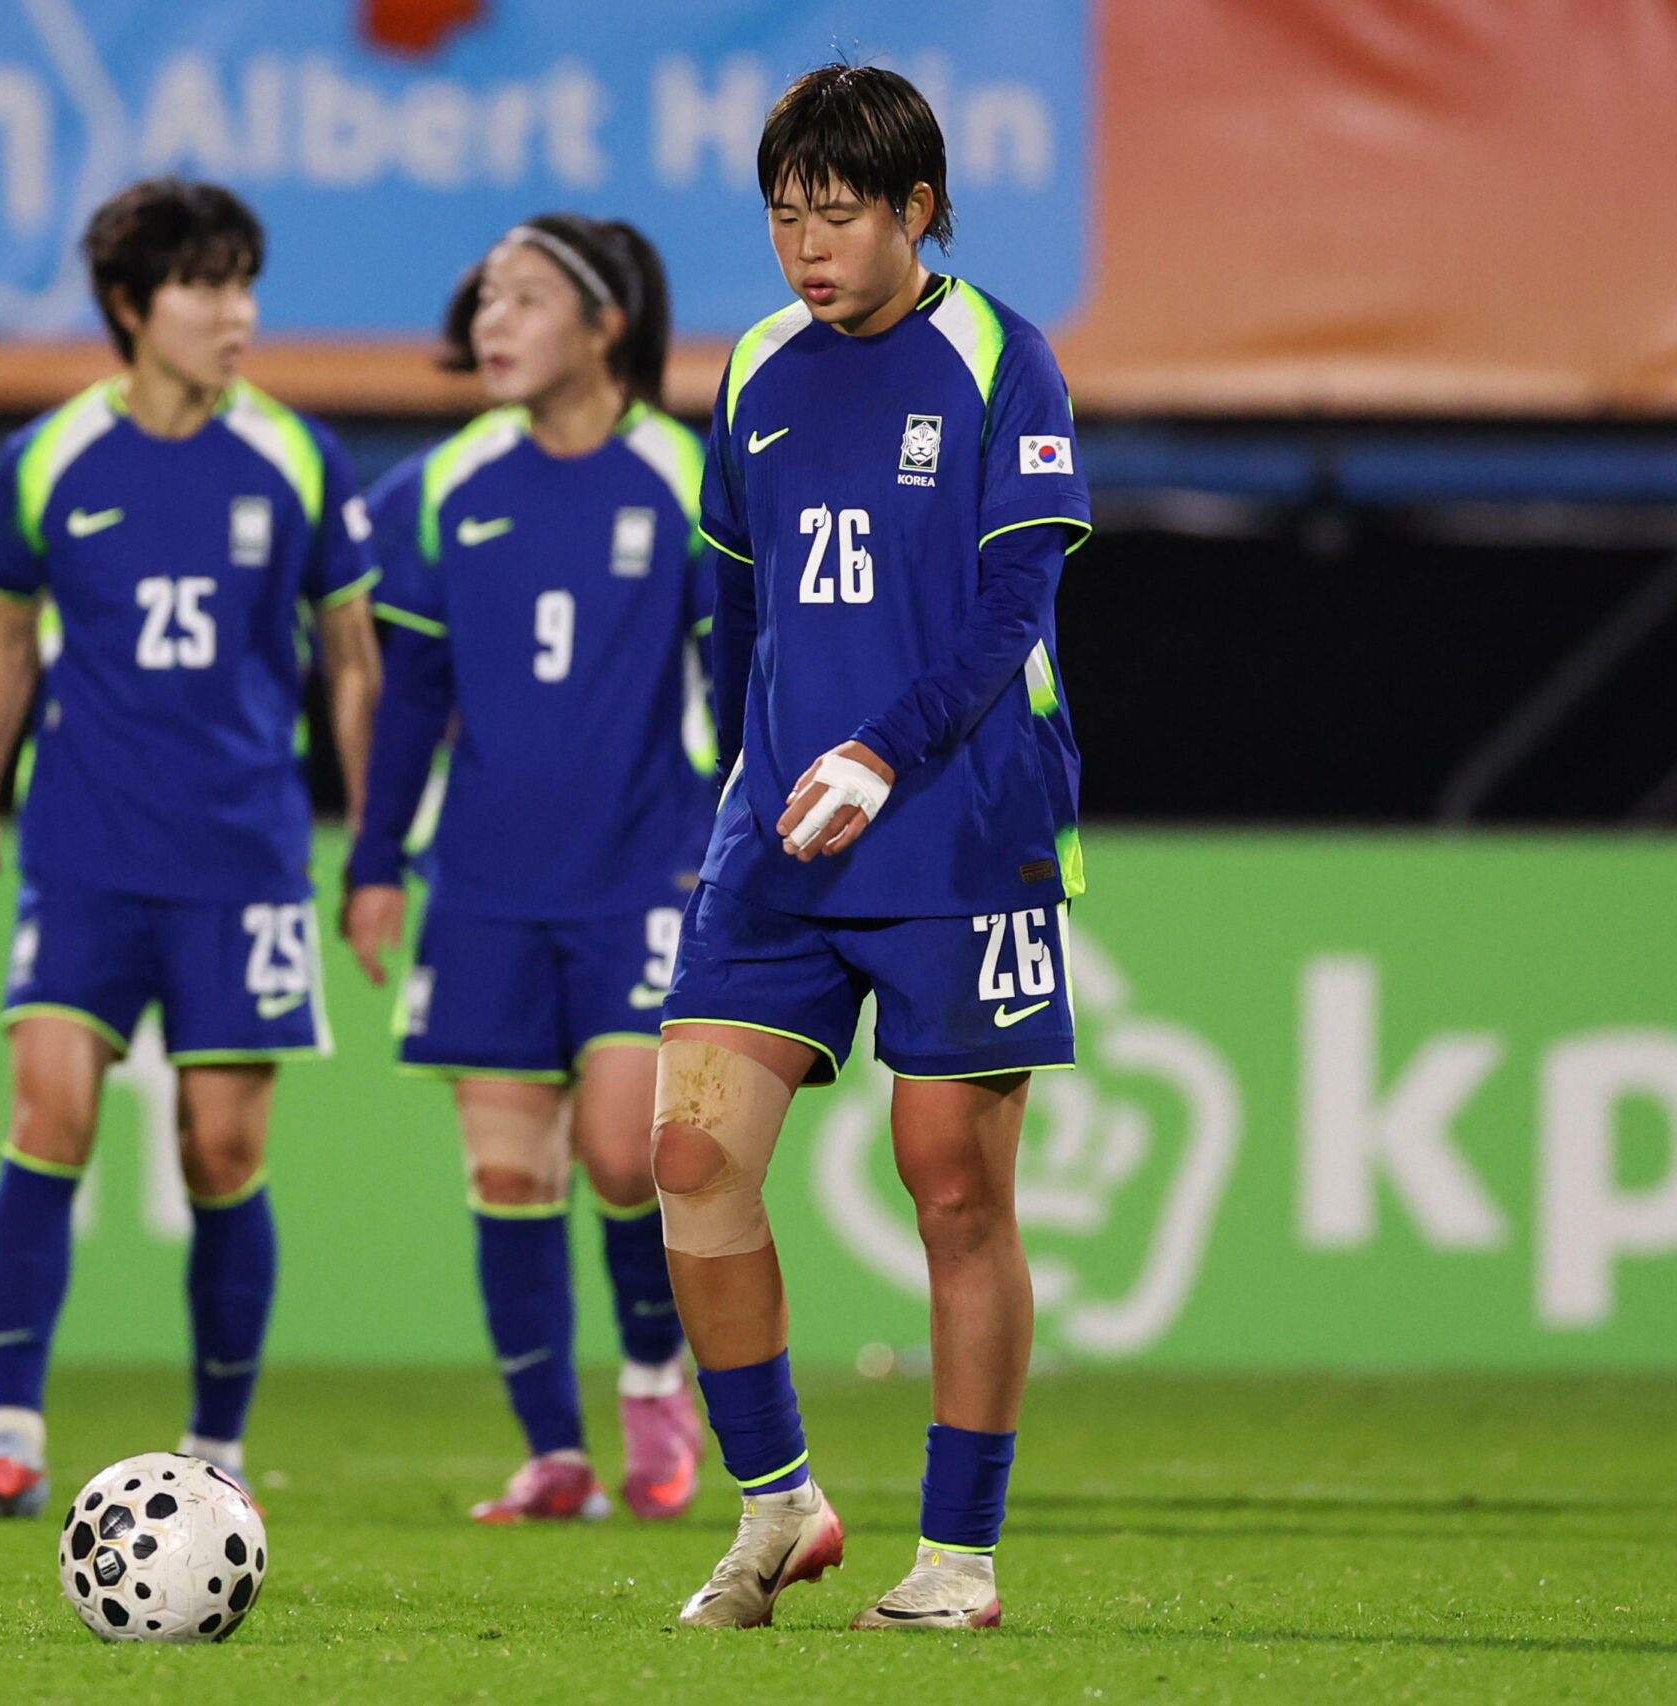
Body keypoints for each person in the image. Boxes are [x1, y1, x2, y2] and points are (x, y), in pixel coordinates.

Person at [655, 65, 1091, 1629]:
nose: (805, 247)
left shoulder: (997, 357)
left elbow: (1008, 616)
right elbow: (733, 599)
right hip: (780, 838)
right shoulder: (757, 367)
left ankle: (959, 1559)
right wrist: (737, 776)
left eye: (836, 214)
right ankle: (779, 1507)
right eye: (783, 214)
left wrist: (873, 751)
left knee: (950, 1187)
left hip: (963, 829)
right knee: (690, 1159)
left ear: (917, 209)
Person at [0, 178, 381, 1516]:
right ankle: (11, 1428)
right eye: (206, 287)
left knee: (221, 1152)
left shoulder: (298, 459)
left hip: (243, 855)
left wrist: (369, 846)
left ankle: (219, 1447)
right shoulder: (49, 458)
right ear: (134, 306)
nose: (237, 312)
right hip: (81, 847)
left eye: (246, 284)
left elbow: (354, 662)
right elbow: (7, 633)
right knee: (48, 1111)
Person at [343, 214, 717, 1525]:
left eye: (528, 297)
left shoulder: (687, 475)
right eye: (485, 300)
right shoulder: (442, 487)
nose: (493, 323)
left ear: (606, 325)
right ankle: (555, 1453)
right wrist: (378, 858)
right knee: (509, 1173)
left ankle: (657, 1376)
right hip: (487, 880)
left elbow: (736, 685)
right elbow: (407, 694)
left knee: (628, 1152)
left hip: (643, 871)